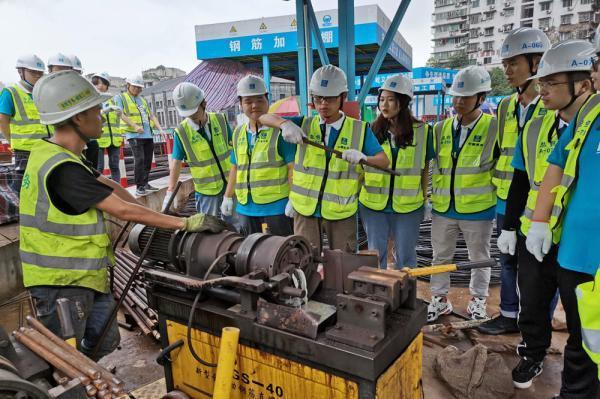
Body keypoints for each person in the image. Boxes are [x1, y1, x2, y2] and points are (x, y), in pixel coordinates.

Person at [21, 70, 228, 360]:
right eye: (96, 110)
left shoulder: (63, 156)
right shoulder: (62, 170)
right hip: (61, 284)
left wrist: (152, 211)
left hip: (86, 276)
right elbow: (120, 210)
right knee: (67, 362)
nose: (103, 117)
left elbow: (111, 186)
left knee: (103, 341)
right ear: (78, 117)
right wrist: (184, 222)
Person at [496, 40, 596, 391]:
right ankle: (533, 354)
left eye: (551, 84)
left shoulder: (590, 127)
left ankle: (577, 383)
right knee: (533, 305)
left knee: (580, 319)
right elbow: (521, 178)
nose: (543, 90)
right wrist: (511, 226)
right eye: (542, 83)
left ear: (583, 84)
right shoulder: (538, 125)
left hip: (576, 245)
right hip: (535, 234)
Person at [526, 40, 599, 398]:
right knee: (583, 341)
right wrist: (539, 222)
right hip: (577, 256)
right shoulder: (591, 116)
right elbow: (556, 163)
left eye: (549, 84)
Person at [259, 64, 388, 253]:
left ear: (342, 97)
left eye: (329, 99)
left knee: (344, 263)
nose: (322, 105)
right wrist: (284, 124)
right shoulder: (303, 124)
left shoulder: (359, 129)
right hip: (305, 210)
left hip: (341, 212)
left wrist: (364, 158)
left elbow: (383, 161)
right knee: (303, 261)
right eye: (318, 98)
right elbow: (264, 117)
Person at [479, 27, 550, 335]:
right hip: (506, 200)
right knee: (507, 262)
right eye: (505, 63)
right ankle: (509, 315)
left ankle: (538, 327)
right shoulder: (506, 106)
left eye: (513, 63)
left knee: (541, 270)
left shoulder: (552, 106)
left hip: (541, 204)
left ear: (536, 62)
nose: (506, 70)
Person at [427, 66, 499, 322]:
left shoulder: (494, 128)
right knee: (440, 256)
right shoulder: (440, 129)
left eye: (465, 97)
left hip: (478, 209)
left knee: (479, 258)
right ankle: (439, 299)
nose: (458, 102)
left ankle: (478, 301)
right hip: (443, 208)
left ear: (481, 98)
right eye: (456, 96)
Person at [358, 74, 432, 269]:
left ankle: (405, 296)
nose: (385, 105)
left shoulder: (423, 131)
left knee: (406, 257)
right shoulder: (370, 131)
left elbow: (425, 169)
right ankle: (378, 295)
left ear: (404, 102)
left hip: (408, 207)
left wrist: (425, 200)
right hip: (373, 205)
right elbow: (361, 169)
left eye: (391, 100)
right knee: (376, 255)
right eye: (382, 99)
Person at [220, 75, 295, 236]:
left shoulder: (280, 132)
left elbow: (292, 168)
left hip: (276, 207)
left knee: (281, 253)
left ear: (268, 100)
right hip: (245, 208)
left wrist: (293, 198)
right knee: (250, 254)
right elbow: (235, 167)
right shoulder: (238, 132)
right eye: (248, 101)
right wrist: (227, 197)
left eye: (259, 100)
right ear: (240, 104)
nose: (254, 106)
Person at [164, 82, 233, 217]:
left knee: (237, 229)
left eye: (194, 112)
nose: (192, 116)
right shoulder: (182, 132)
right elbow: (176, 163)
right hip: (207, 193)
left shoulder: (221, 119)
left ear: (204, 103)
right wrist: (170, 192)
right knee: (210, 232)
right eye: (188, 114)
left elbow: (235, 148)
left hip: (231, 186)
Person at [0, 54, 49, 193]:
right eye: (33, 72)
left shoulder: (43, 93)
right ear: (20, 71)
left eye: (40, 72)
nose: (37, 76)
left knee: (45, 187)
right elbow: (3, 121)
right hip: (25, 151)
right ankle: (21, 214)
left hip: (47, 148)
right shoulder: (10, 92)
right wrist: (13, 142)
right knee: (26, 188)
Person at [114, 75, 165, 196]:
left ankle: (145, 183)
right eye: (135, 87)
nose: (137, 89)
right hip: (134, 134)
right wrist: (135, 126)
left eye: (139, 88)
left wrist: (160, 129)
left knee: (147, 160)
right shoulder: (120, 97)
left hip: (148, 134)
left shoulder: (143, 100)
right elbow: (120, 114)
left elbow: (151, 116)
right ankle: (139, 186)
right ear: (128, 85)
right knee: (139, 159)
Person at [93, 72, 123, 182]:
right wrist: (104, 111)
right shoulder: (92, 100)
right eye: (97, 83)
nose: (100, 86)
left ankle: (119, 191)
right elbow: (91, 118)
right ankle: (99, 193)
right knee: (99, 167)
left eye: (103, 83)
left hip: (114, 139)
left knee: (115, 166)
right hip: (99, 138)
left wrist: (119, 114)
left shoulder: (112, 100)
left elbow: (116, 121)